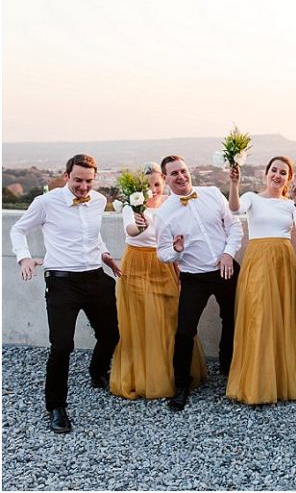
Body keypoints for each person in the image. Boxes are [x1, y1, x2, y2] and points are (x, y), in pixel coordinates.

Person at [10, 154, 121, 433]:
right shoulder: (45, 202)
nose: (84, 187)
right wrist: (24, 257)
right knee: (61, 346)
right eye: (78, 180)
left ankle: (97, 372)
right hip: (62, 282)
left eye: (88, 181)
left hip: (96, 277)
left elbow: (92, 234)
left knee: (111, 335)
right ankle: (56, 407)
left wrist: (105, 253)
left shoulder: (98, 201)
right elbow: (18, 229)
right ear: (66, 175)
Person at [225, 156, 296, 404]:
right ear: (266, 173)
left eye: (283, 173)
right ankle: (257, 383)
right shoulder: (252, 197)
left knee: (283, 316)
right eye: (274, 170)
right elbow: (235, 209)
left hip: (283, 261)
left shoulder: (289, 204)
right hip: (258, 259)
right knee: (259, 315)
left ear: (289, 178)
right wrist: (234, 184)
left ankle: (281, 379)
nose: (277, 175)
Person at [110, 162, 207, 400]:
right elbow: (130, 230)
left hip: (164, 264)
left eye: (156, 184)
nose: (153, 190)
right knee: (142, 321)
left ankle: (174, 374)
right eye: (148, 186)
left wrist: (179, 269)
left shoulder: (170, 204)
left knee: (170, 318)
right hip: (137, 264)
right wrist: (139, 224)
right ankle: (145, 377)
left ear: (164, 181)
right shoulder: (131, 207)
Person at [154, 155, 243, 411]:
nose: (181, 176)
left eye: (183, 171)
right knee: (185, 330)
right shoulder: (164, 214)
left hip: (226, 268)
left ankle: (228, 368)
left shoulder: (212, 193)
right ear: (166, 178)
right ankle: (182, 385)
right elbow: (162, 254)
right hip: (194, 277)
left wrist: (228, 253)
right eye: (174, 174)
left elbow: (235, 226)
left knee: (232, 319)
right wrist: (176, 250)